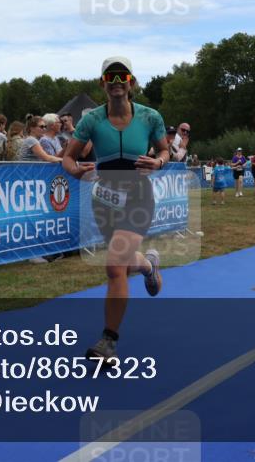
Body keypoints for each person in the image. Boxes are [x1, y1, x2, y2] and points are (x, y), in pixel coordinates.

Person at [62, 56, 167, 366]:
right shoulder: (91, 120)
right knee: (120, 264)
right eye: (112, 77)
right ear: (102, 83)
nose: (118, 82)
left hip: (138, 197)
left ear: (131, 82)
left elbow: (164, 149)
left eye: (123, 77)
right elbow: (68, 159)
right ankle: (148, 266)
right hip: (105, 199)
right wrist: (76, 171)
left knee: (113, 265)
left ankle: (108, 342)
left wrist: (159, 162)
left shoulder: (150, 117)